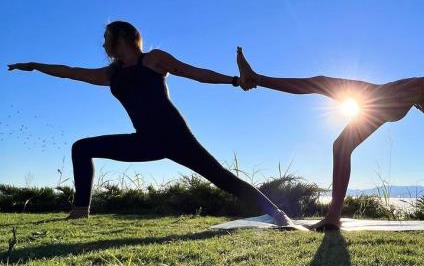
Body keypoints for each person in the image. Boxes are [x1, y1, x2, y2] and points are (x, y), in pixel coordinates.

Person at [7, 21, 302, 228]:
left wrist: (235, 81)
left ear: (122, 37)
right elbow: (70, 72)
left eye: (107, 37)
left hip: (175, 135)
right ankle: (80, 210)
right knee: (82, 148)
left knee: (221, 177)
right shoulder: (111, 74)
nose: (103, 43)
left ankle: (277, 213)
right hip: (145, 139)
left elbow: (194, 73)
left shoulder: (154, 59)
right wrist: (34, 66)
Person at [236, 47, 424, 230]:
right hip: (393, 100)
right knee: (340, 142)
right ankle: (334, 216)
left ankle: (257, 79)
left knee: (324, 85)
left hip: (394, 100)